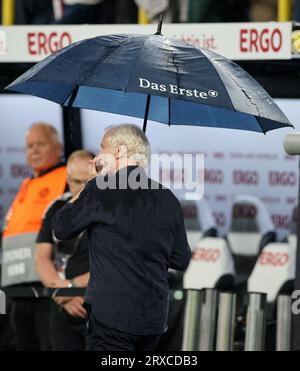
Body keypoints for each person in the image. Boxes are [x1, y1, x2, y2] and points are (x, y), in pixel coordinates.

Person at [53, 124, 191, 351]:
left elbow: (62, 227)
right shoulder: (169, 199)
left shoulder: (100, 189)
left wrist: (87, 187)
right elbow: (181, 260)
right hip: (153, 319)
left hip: (111, 316)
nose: (97, 156)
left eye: (102, 147)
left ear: (119, 151)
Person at [1, 123, 67, 351]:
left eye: (41, 144)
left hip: (46, 285)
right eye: (30, 146)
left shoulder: (66, 177)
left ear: (58, 148)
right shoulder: (27, 184)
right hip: (17, 284)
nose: (34, 150)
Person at [36, 150, 94, 351]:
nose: (83, 188)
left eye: (89, 181)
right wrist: (62, 293)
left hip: (100, 304)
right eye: (77, 182)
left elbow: (115, 263)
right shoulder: (57, 207)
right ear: (68, 180)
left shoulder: (110, 209)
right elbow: (42, 258)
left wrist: (69, 287)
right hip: (62, 306)